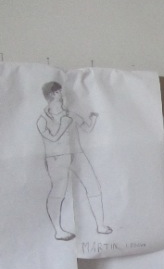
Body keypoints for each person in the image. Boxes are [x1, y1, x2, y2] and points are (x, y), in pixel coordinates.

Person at [37, 81, 112, 241]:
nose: (62, 95)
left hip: (77, 154)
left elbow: (87, 129)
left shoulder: (70, 114)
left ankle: (100, 225)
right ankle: (58, 231)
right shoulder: (42, 120)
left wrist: (93, 119)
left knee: (93, 186)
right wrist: (64, 123)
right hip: (56, 159)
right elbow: (53, 138)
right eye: (58, 92)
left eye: (60, 92)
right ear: (51, 95)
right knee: (58, 192)